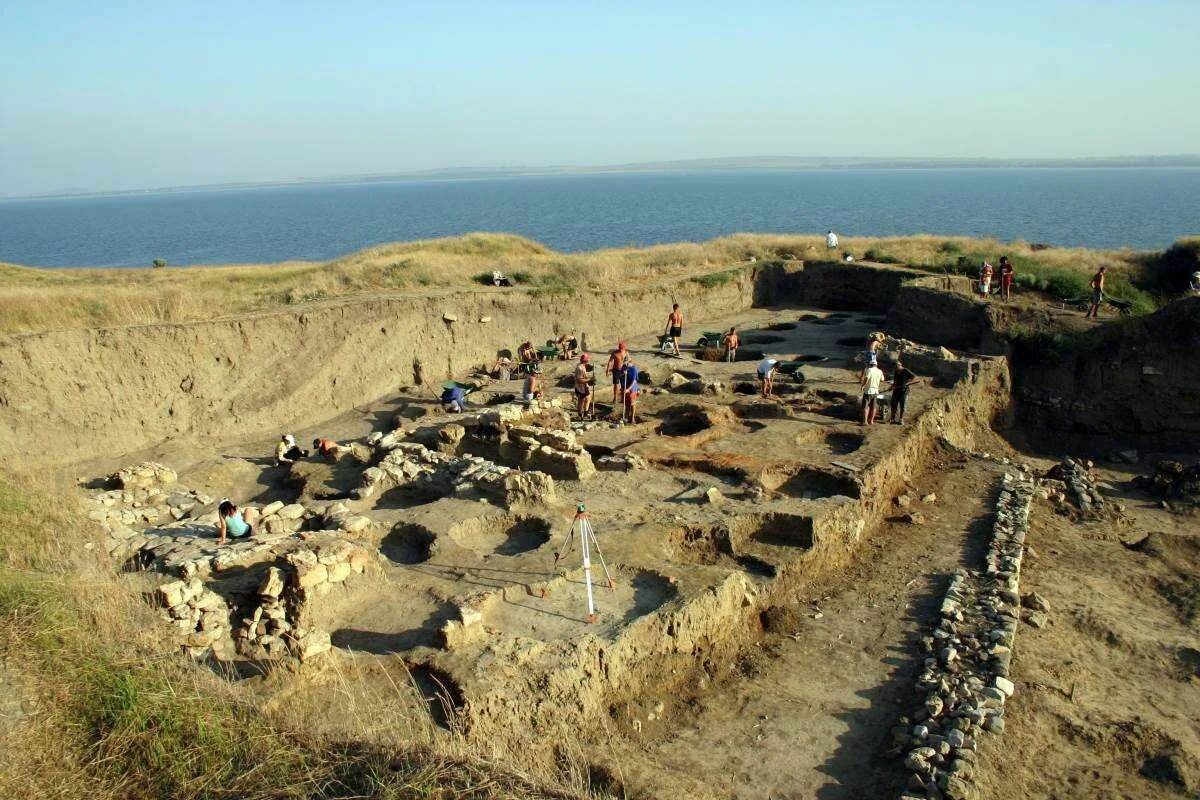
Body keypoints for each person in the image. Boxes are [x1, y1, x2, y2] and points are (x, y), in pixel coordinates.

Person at [888, 359, 924, 425]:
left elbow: (915, 378)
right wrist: (891, 387)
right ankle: (892, 419)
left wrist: (908, 383)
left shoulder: (905, 370)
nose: (896, 369)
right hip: (896, 391)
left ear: (899, 365)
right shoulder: (896, 372)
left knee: (903, 406)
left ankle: (901, 419)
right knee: (893, 405)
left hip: (904, 391)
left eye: (896, 367)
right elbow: (895, 381)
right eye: (895, 367)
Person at [860, 361, 885, 425]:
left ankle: (865, 421)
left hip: (868, 391)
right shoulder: (880, 371)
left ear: (870, 365)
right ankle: (871, 421)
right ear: (876, 365)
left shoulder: (869, 370)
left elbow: (866, 378)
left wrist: (863, 386)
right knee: (873, 407)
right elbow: (882, 379)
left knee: (865, 406)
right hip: (876, 391)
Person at [618, 355, 640, 423]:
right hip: (625, 387)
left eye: (626, 362)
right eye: (625, 362)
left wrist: (628, 389)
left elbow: (634, 381)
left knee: (632, 403)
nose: (625, 364)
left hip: (632, 388)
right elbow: (620, 377)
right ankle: (627, 416)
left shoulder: (633, 369)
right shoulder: (624, 367)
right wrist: (623, 374)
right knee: (626, 403)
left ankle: (632, 417)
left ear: (629, 361)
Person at [606, 342, 627, 408]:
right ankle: (615, 397)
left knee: (623, 385)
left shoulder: (626, 353)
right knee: (616, 385)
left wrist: (627, 366)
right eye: (620, 348)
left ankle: (622, 398)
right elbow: (610, 361)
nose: (621, 349)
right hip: (616, 370)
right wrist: (607, 370)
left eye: (622, 348)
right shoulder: (615, 353)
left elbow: (629, 360)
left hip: (623, 371)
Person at [574, 353, 595, 420]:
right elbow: (579, 380)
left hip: (584, 387)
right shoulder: (580, 368)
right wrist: (590, 379)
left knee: (588, 398)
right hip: (580, 388)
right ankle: (580, 415)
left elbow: (584, 375)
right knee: (581, 401)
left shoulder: (582, 366)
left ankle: (585, 413)